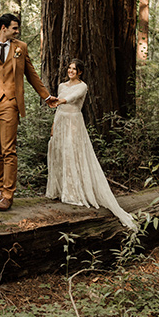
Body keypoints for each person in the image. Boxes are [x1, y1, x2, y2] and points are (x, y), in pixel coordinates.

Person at [0, 13, 55, 212]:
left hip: (10, 103)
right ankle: (0, 189)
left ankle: (8, 194)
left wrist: (47, 96)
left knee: (9, 149)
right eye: (14, 28)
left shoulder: (20, 47)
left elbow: (31, 73)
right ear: (3, 27)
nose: (17, 32)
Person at [46, 59, 136, 230]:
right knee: (59, 153)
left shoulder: (82, 86)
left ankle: (73, 191)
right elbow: (59, 108)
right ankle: (59, 189)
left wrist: (59, 101)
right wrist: (53, 125)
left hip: (73, 123)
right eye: (70, 68)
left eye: (74, 69)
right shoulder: (61, 85)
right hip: (60, 121)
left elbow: (71, 98)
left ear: (80, 72)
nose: (71, 71)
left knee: (72, 153)